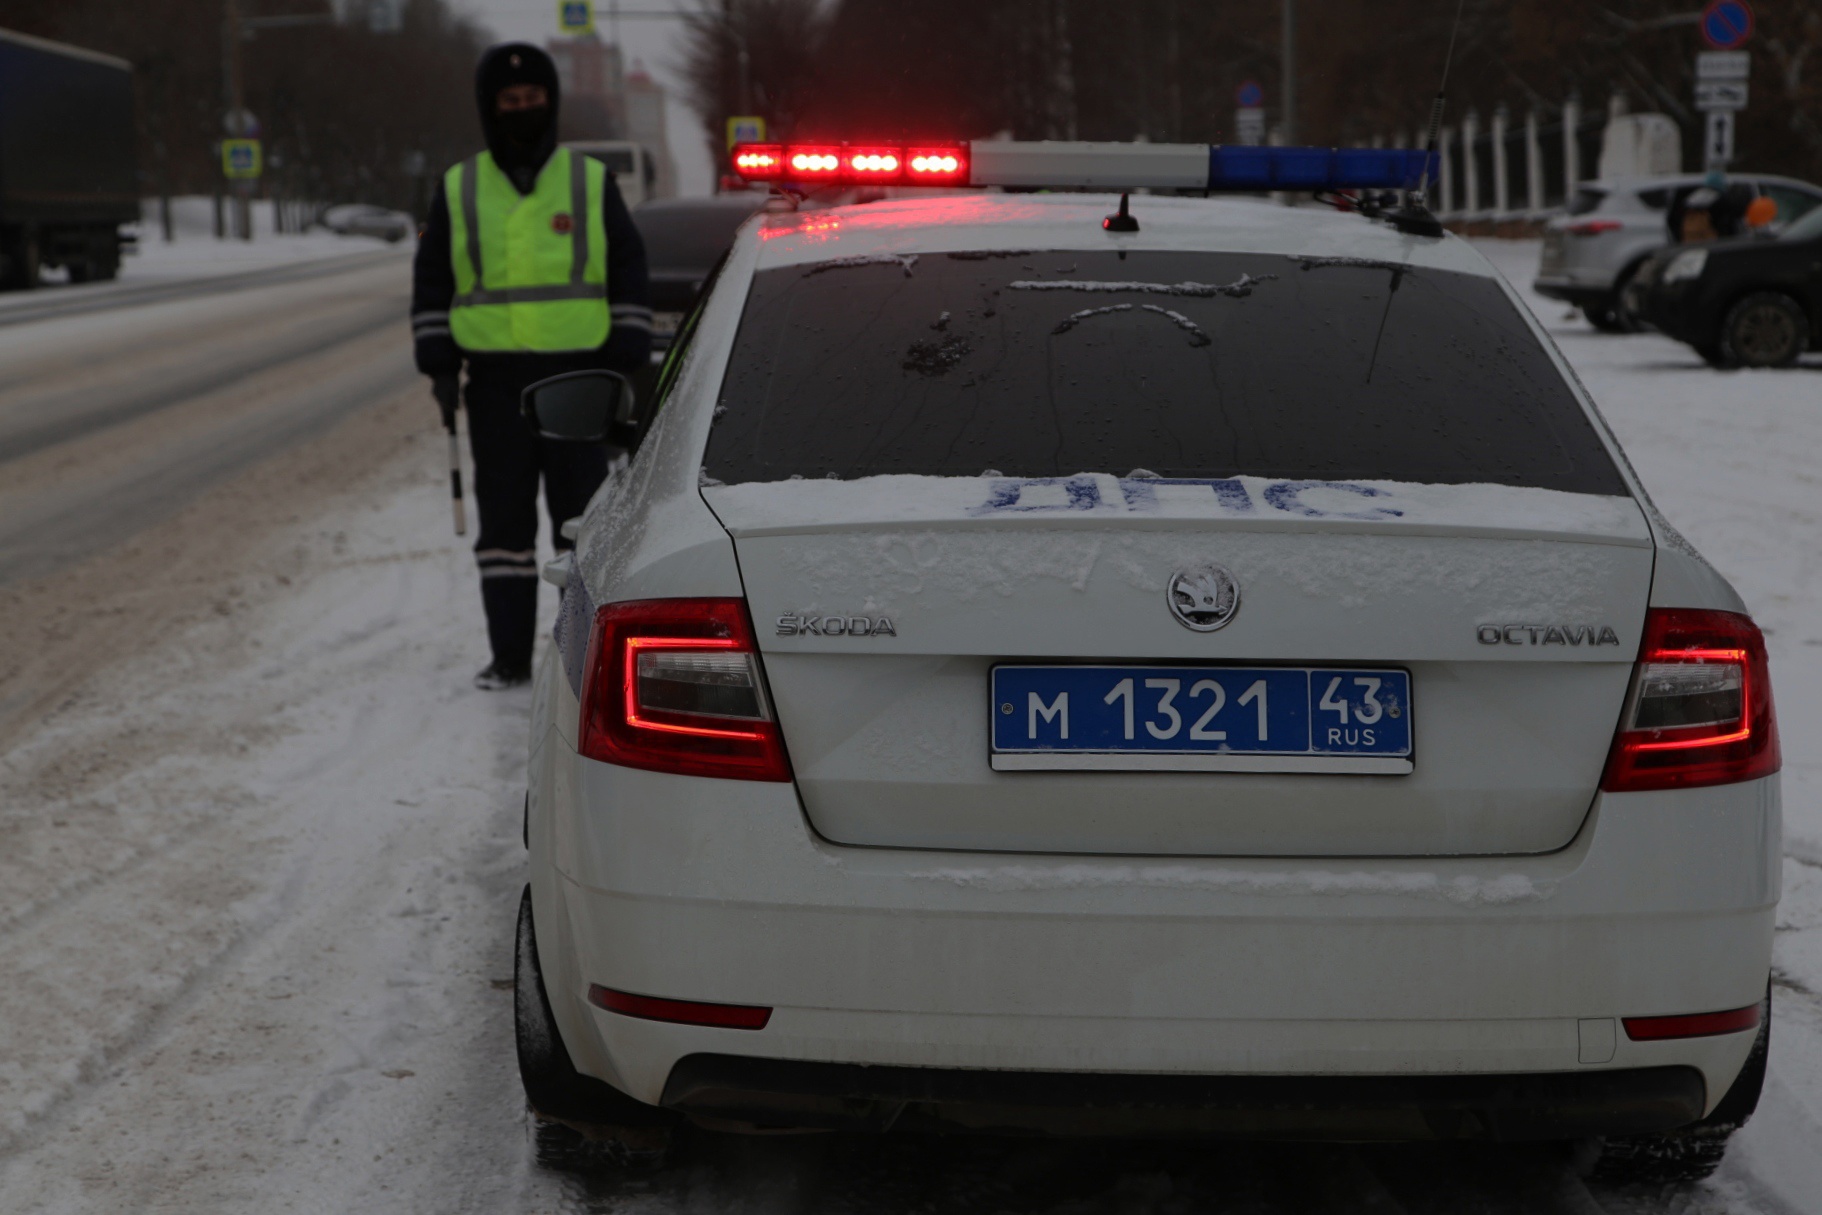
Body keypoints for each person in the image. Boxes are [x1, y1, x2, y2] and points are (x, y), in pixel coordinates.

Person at [411, 43, 651, 689]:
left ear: (551, 103)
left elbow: (628, 266)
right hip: (494, 384)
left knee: (581, 523)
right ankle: (510, 658)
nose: (524, 110)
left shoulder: (587, 181)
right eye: (510, 102)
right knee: (505, 528)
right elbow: (432, 281)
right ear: (490, 110)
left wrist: (627, 353)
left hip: (577, 380)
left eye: (533, 99)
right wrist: (437, 361)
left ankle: (585, 658)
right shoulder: (459, 188)